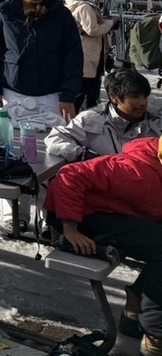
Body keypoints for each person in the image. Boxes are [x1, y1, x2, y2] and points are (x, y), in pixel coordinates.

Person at [45, 136, 162, 349]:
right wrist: (70, 228)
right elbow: (69, 174)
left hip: (111, 212)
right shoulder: (134, 171)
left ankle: (134, 309)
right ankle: (156, 333)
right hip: (80, 215)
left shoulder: (155, 168)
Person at [0, 0, 82, 125]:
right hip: (11, 95)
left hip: (52, 97)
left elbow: (73, 57)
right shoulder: (3, 13)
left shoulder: (61, 15)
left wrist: (68, 97)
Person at [45, 68, 162, 162]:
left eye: (145, 96)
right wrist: (83, 155)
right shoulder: (90, 120)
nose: (142, 102)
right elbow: (55, 139)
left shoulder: (157, 124)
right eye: (135, 97)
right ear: (114, 97)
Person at [65, 0, 116, 110]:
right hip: (87, 53)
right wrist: (110, 23)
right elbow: (93, 30)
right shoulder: (84, 7)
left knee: (90, 88)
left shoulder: (80, 4)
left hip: (89, 52)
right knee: (84, 91)